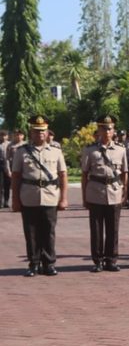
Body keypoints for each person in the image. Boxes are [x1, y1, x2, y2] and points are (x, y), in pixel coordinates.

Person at [11, 115, 68, 276]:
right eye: (37, 131)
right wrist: (15, 200)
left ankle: (49, 264)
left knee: (49, 231)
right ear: (31, 132)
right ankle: (34, 264)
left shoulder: (56, 151)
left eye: (43, 131)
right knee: (31, 233)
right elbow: (16, 176)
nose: (40, 133)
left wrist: (63, 198)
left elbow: (63, 175)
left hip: (50, 196)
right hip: (29, 196)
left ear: (47, 131)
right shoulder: (22, 151)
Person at [80, 114, 128, 272]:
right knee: (96, 229)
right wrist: (84, 196)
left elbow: (124, 173)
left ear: (113, 130)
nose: (107, 132)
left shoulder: (121, 150)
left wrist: (124, 191)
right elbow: (84, 174)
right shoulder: (90, 150)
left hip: (114, 191)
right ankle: (98, 260)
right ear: (98, 131)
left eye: (110, 129)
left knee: (113, 228)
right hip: (95, 192)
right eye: (103, 129)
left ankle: (111, 260)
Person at [0, 129, 10, 208]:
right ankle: (0, 202)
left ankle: (6, 201)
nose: (3, 137)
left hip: (8, 165)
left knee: (7, 184)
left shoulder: (10, 145)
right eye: (1, 135)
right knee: (0, 185)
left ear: (7, 136)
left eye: (5, 135)